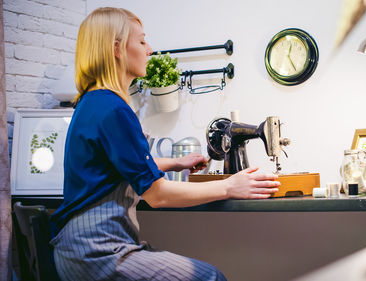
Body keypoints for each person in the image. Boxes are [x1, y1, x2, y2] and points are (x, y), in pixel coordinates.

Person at [50, 7, 280, 281]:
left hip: (77, 249)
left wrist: (176, 162)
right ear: (116, 48)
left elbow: (120, 166)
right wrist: (229, 186)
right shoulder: (112, 108)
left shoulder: (92, 102)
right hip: (98, 252)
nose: (150, 49)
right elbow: (157, 195)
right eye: (142, 41)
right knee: (209, 277)